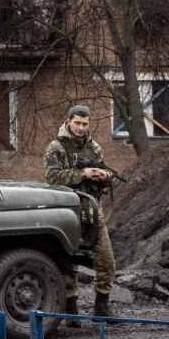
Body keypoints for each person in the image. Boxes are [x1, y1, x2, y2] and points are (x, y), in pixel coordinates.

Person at [43, 104, 116, 317]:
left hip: (92, 210)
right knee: (67, 260)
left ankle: (101, 307)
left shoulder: (94, 148)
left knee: (106, 260)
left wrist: (104, 176)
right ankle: (70, 307)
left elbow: (104, 170)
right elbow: (52, 178)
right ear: (68, 121)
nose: (81, 128)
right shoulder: (56, 147)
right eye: (77, 123)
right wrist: (82, 174)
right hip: (66, 211)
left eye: (85, 123)